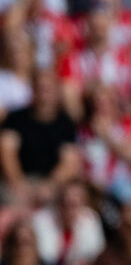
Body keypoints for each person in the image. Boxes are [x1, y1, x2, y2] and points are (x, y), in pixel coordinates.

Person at [0, 69, 80, 206]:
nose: (43, 94)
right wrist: (19, 185)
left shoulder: (66, 124)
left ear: (56, 92)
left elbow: (70, 163)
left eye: (47, 89)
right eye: (39, 88)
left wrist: (49, 185)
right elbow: (6, 152)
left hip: (50, 185)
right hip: (18, 183)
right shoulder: (16, 119)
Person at [31, 179, 106, 264]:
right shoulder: (41, 219)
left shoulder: (91, 219)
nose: (68, 210)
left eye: (73, 205)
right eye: (64, 203)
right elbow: (46, 256)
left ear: (83, 205)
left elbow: (95, 253)